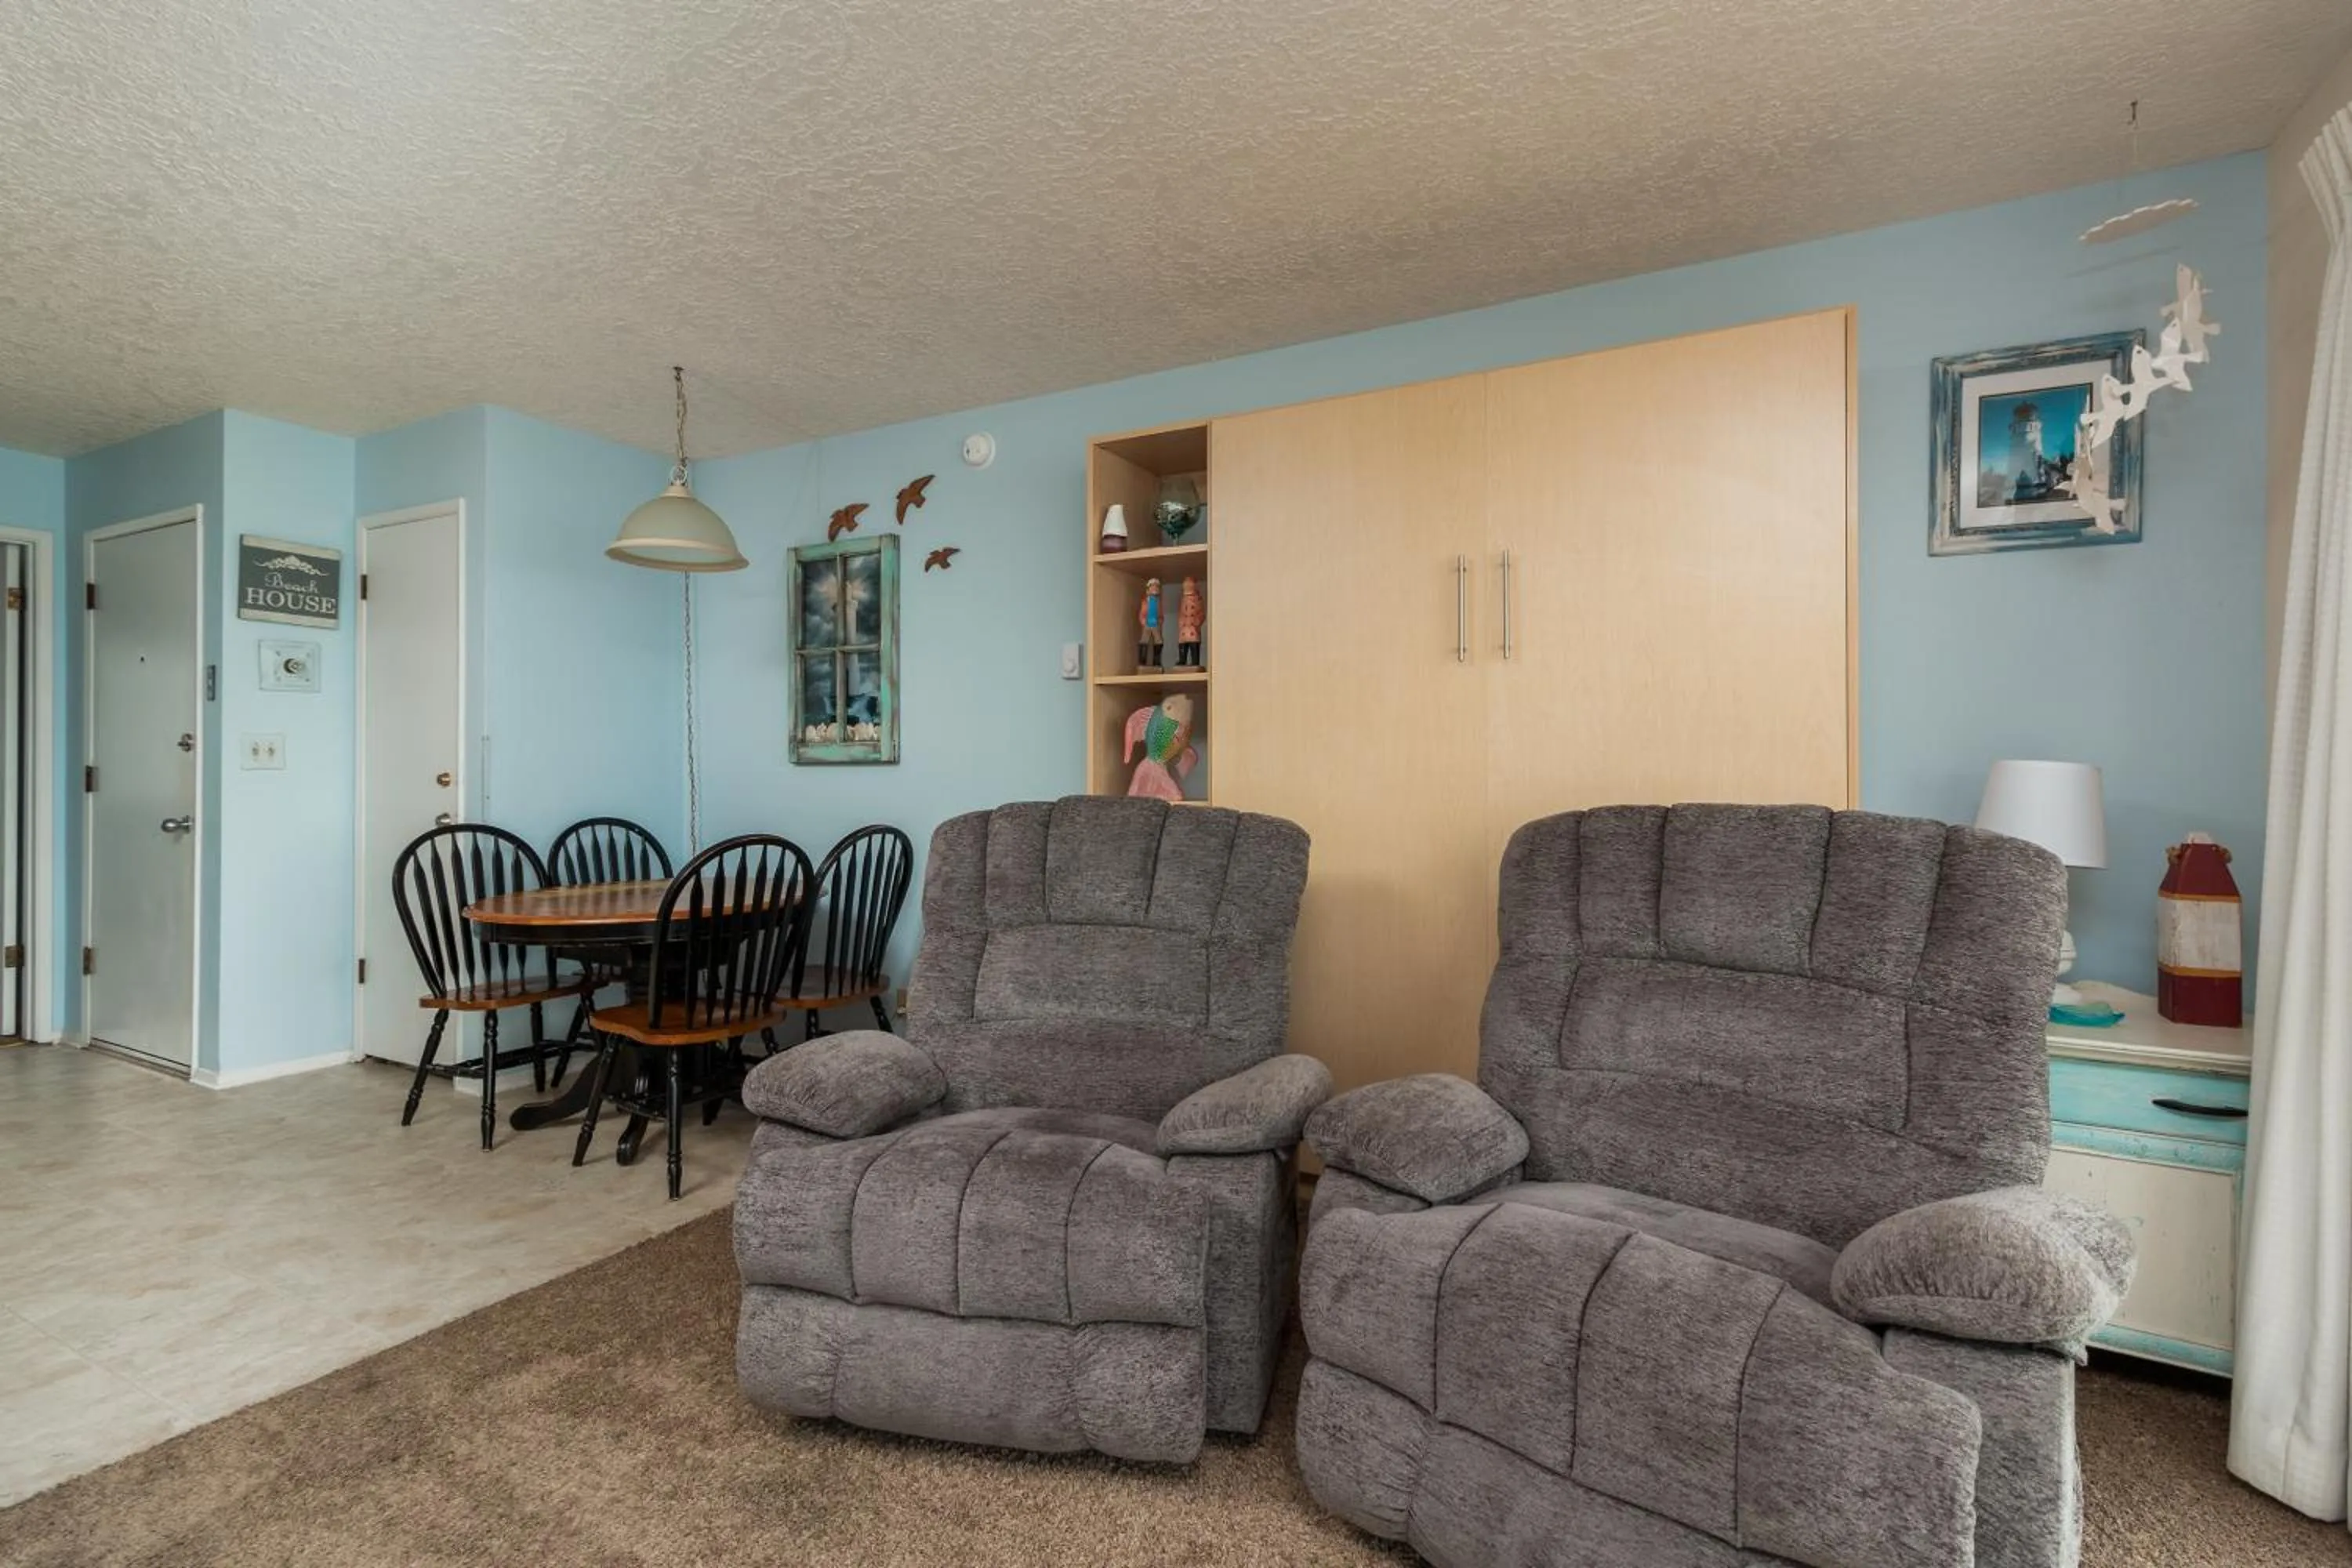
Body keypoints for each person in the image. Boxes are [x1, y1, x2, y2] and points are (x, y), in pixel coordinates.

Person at [1137, 577, 1164, 670]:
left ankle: (1157, 662)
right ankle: (1142, 662)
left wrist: (1160, 620)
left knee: (1158, 642)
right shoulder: (1145, 602)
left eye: (1157, 587)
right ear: (1148, 589)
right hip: (1147, 624)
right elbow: (1141, 613)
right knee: (1144, 641)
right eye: (1153, 587)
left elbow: (1160, 613)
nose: (1155, 589)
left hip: (1156, 624)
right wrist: (1143, 621)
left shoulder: (1158, 602)